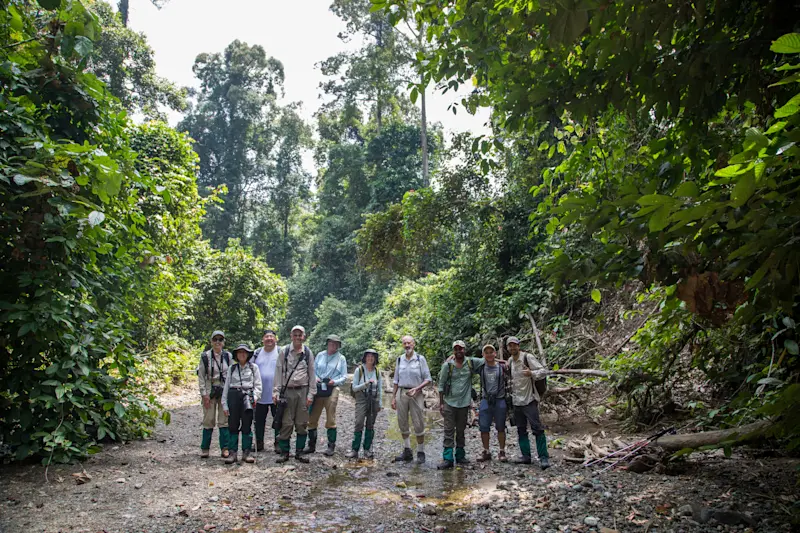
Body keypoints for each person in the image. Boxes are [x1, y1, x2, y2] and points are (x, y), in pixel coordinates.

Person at [436, 340, 487, 469]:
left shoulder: (470, 362)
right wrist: (441, 403)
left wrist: (503, 362)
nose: (459, 351)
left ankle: (460, 456)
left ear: (465, 350)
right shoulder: (447, 365)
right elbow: (441, 385)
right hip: (449, 403)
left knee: (460, 430)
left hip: (464, 404)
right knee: (448, 430)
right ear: (453, 351)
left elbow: (487, 359)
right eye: (456, 349)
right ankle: (447, 458)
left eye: (461, 349)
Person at [272, 325, 315, 463]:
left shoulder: (308, 353)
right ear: (291, 336)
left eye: (300, 335)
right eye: (295, 335)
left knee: (302, 423)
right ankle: (284, 452)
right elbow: (278, 373)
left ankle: (299, 452)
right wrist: (276, 392)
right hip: (287, 391)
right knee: (286, 423)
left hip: (303, 391)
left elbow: (312, 374)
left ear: (304, 336)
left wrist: (311, 395)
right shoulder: (284, 352)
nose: (297, 337)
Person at [507, 336, 551, 469]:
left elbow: (543, 371)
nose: (513, 347)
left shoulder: (527, 357)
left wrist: (531, 373)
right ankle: (526, 456)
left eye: (515, 345)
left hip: (529, 400)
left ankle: (543, 457)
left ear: (518, 346)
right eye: (510, 346)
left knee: (537, 429)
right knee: (521, 430)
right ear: (508, 348)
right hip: (516, 401)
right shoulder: (510, 361)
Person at [391, 335, 433, 464]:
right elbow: (396, 380)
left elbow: (428, 379)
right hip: (402, 392)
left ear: (413, 344)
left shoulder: (420, 359)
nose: (407, 345)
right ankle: (407, 451)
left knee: (418, 422)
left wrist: (417, 388)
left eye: (409, 343)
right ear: (403, 345)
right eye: (404, 343)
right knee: (402, 421)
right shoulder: (399, 360)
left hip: (416, 393)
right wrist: (393, 397)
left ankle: (420, 452)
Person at [305, 334, 348, 456]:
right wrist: (317, 379)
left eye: (335, 344)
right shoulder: (320, 355)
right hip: (318, 388)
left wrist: (334, 381)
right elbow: (313, 370)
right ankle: (311, 445)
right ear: (327, 343)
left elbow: (344, 376)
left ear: (338, 346)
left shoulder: (341, 358)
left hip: (332, 389)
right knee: (312, 417)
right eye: (330, 343)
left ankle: (331, 446)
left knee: (330, 417)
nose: (332, 345)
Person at [222, 343, 262, 464]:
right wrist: (224, 403)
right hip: (233, 397)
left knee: (247, 425)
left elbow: (258, 385)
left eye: (244, 352)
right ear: (236, 355)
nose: (242, 354)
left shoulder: (253, 367)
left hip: (247, 397)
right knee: (232, 425)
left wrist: (254, 398)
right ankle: (232, 452)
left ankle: (246, 452)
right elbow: (226, 387)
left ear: (248, 354)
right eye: (239, 352)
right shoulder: (232, 368)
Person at [197, 330, 232, 458]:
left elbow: (231, 374)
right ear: (211, 341)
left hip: (224, 390)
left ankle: (225, 448)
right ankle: (205, 448)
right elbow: (201, 376)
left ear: (223, 342)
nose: (218, 342)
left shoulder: (228, 356)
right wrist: (204, 394)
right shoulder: (205, 357)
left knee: (224, 420)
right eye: (215, 339)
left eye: (220, 339)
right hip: (210, 389)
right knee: (208, 419)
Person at [346, 349, 383, 459]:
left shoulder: (377, 371)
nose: (370, 358)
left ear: (375, 359)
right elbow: (354, 387)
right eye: (368, 356)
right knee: (359, 422)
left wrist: (380, 403)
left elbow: (380, 389)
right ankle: (355, 449)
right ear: (365, 358)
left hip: (374, 399)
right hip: (362, 399)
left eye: (373, 357)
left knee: (370, 425)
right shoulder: (359, 370)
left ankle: (367, 449)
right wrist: (365, 385)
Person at [476, 344, 509, 462]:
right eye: (487, 352)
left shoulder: (502, 367)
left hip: (500, 399)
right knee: (484, 427)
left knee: (501, 427)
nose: (489, 354)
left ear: (495, 353)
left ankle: (502, 451)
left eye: (491, 352)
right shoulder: (480, 366)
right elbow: (466, 361)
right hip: (486, 399)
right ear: (483, 355)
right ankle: (486, 451)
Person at [252, 330, 280, 454]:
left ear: (276, 339)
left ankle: (278, 443)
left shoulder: (281, 352)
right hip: (260, 394)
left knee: (278, 419)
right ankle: (259, 442)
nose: (269, 339)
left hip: (276, 393)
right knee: (258, 420)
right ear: (262, 339)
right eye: (266, 336)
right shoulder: (256, 353)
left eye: (271, 336)